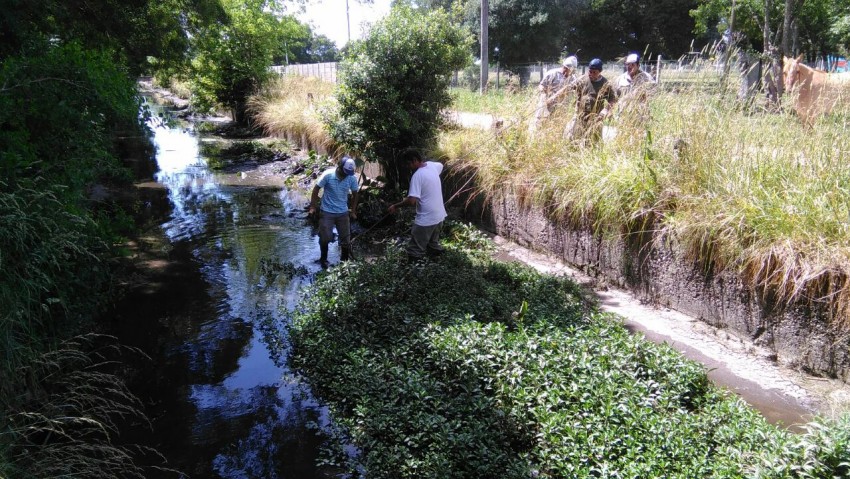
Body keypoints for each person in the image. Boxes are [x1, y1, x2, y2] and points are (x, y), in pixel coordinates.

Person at [388, 149, 446, 262]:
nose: (407, 166)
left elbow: (411, 201)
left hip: (426, 220)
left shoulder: (417, 176)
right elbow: (441, 165)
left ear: (415, 160)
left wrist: (395, 206)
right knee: (433, 245)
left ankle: (414, 275)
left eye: (408, 163)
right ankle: (438, 267)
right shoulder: (432, 166)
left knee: (414, 251)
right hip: (439, 217)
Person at [308, 156, 359, 268]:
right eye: (345, 171)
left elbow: (355, 194)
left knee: (345, 240)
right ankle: (323, 259)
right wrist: (313, 207)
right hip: (327, 212)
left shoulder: (351, 178)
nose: (347, 174)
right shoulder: (328, 175)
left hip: (343, 213)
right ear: (340, 167)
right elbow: (316, 189)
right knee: (325, 237)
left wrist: (353, 210)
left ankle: (344, 263)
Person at [566, 58, 617, 144]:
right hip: (580, 116)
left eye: (594, 72)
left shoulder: (605, 83)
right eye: (590, 71)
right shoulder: (582, 79)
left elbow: (613, 99)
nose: (591, 74)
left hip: (596, 118)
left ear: (600, 72)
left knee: (593, 142)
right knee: (574, 140)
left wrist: (606, 109)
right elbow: (568, 88)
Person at [532, 56, 579, 130]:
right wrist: (545, 96)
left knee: (557, 128)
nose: (569, 72)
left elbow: (576, 91)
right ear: (564, 67)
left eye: (571, 71)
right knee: (541, 125)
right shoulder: (552, 73)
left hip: (561, 107)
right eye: (568, 70)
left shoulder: (573, 79)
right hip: (546, 105)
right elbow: (541, 86)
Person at [615, 53, 655, 125]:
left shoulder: (647, 78)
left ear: (638, 65)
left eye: (632, 65)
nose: (629, 67)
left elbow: (652, 95)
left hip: (641, 118)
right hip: (623, 117)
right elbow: (615, 97)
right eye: (628, 64)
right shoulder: (620, 79)